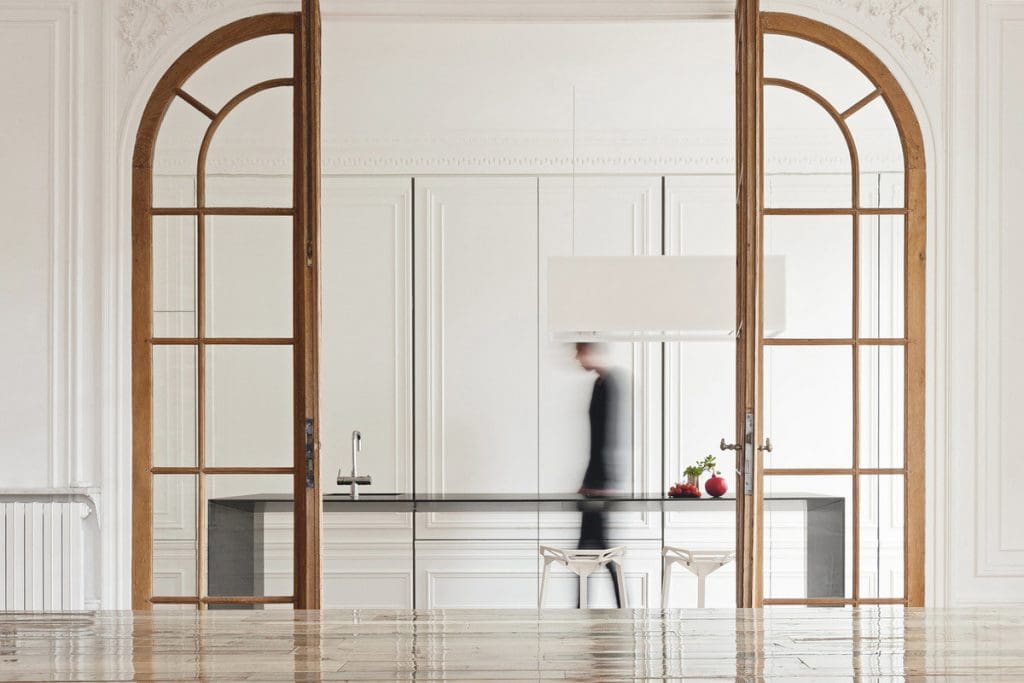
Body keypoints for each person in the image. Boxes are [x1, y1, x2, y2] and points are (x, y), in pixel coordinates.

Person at [574, 341, 625, 608]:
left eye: (579, 352)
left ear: (591, 352)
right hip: (595, 480)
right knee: (590, 551)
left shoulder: (611, 383)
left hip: (602, 483)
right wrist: (588, 480)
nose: (576, 358)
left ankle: (617, 607)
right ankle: (589, 608)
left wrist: (602, 483)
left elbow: (610, 437)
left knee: (598, 551)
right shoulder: (600, 383)